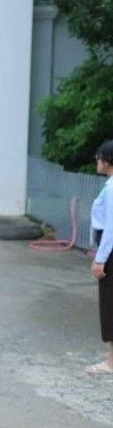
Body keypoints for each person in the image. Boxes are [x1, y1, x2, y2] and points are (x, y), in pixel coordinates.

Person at [87, 140, 113, 374]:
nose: (96, 160)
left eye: (98, 156)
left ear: (106, 160)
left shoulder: (112, 188)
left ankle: (111, 363)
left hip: (111, 253)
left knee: (110, 303)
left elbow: (111, 227)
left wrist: (100, 258)